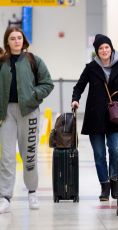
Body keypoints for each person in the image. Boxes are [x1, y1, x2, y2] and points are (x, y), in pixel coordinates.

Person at [71, 34, 118, 201]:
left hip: (117, 116)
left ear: (111, 48)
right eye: (101, 48)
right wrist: (75, 99)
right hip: (95, 116)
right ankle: (104, 185)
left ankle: (114, 180)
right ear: (97, 51)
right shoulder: (91, 68)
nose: (104, 50)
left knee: (115, 149)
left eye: (107, 47)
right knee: (99, 154)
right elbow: (80, 85)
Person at [0, 26, 54, 214]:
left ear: (24, 40)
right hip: (6, 114)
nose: (16, 41)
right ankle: (5, 196)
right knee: (6, 157)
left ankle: (32, 192)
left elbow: (48, 83)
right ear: (7, 41)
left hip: (29, 112)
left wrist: (33, 94)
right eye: (13, 38)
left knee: (29, 155)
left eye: (19, 38)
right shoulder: (2, 62)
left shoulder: (33, 60)